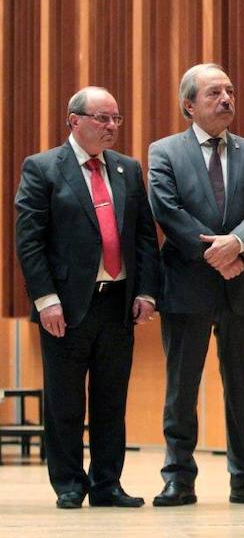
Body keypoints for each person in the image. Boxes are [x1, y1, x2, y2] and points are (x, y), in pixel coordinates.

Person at [15, 87, 160, 509]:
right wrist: (45, 300)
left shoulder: (127, 170)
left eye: (116, 119)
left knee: (111, 400)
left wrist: (147, 290)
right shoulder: (43, 168)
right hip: (65, 305)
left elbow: (144, 237)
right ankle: (69, 484)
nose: (112, 126)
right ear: (74, 120)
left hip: (117, 302)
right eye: (102, 118)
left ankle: (107, 484)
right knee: (65, 401)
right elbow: (30, 241)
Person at [147, 63, 244, 506]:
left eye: (229, 91)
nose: (226, 99)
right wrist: (217, 256)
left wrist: (237, 243)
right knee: (181, 387)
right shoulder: (164, 151)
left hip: (241, 285)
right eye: (213, 94)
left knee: (240, 385)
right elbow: (167, 211)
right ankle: (178, 478)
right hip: (188, 284)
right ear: (189, 105)